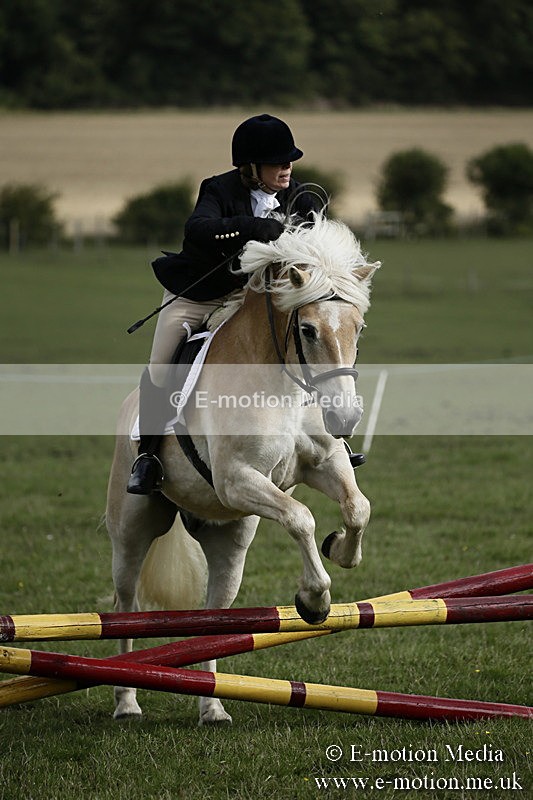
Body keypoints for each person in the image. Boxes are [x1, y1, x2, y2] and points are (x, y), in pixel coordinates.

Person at [127, 113, 320, 495]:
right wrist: (251, 226)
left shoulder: (302, 198)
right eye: (277, 162)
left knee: (310, 348)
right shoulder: (218, 189)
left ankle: (328, 442)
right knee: (161, 366)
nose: (287, 167)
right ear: (251, 167)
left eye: (289, 160)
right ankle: (148, 456)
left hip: (259, 301)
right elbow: (197, 230)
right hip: (200, 295)